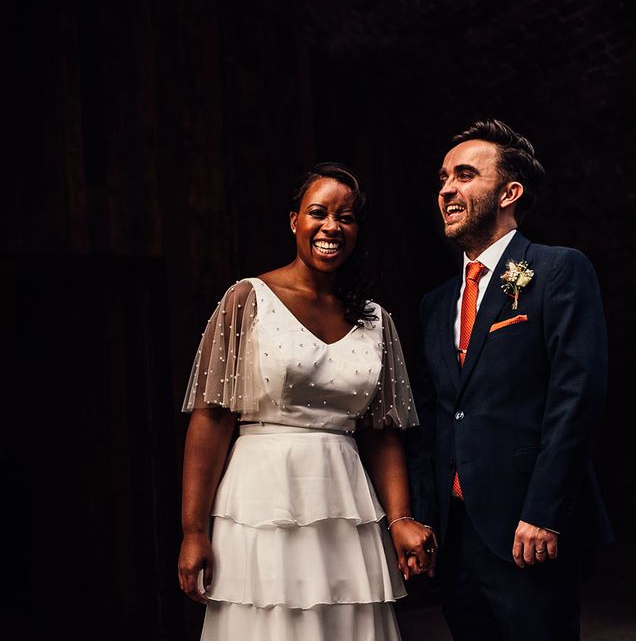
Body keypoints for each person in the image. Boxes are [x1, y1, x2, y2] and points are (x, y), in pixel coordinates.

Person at [177, 162, 437, 640]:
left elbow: (382, 433)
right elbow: (211, 418)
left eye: (348, 217)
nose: (332, 227)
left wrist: (399, 518)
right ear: (294, 220)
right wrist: (193, 530)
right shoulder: (247, 298)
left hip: (345, 502)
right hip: (261, 503)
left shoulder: (375, 319)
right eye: (318, 213)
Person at [406, 120, 613, 640]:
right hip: (456, 538)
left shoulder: (558, 270)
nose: (447, 189)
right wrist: (426, 518)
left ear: (509, 192)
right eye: (443, 179)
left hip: (528, 529)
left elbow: (576, 396)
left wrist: (544, 512)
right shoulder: (435, 304)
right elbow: (431, 418)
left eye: (465, 175)